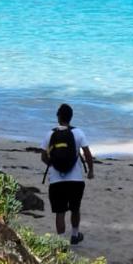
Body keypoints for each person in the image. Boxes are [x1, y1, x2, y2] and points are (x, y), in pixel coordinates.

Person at [40, 103, 95, 245]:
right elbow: (88, 154)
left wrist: (54, 165)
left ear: (58, 116)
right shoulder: (78, 133)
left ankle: (61, 243)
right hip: (76, 180)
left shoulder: (50, 134)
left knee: (60, 212)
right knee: (75, 209)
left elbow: (43, 157)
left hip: (56, 181)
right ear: (71, 117)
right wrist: (90, 171)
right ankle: (75, 235)